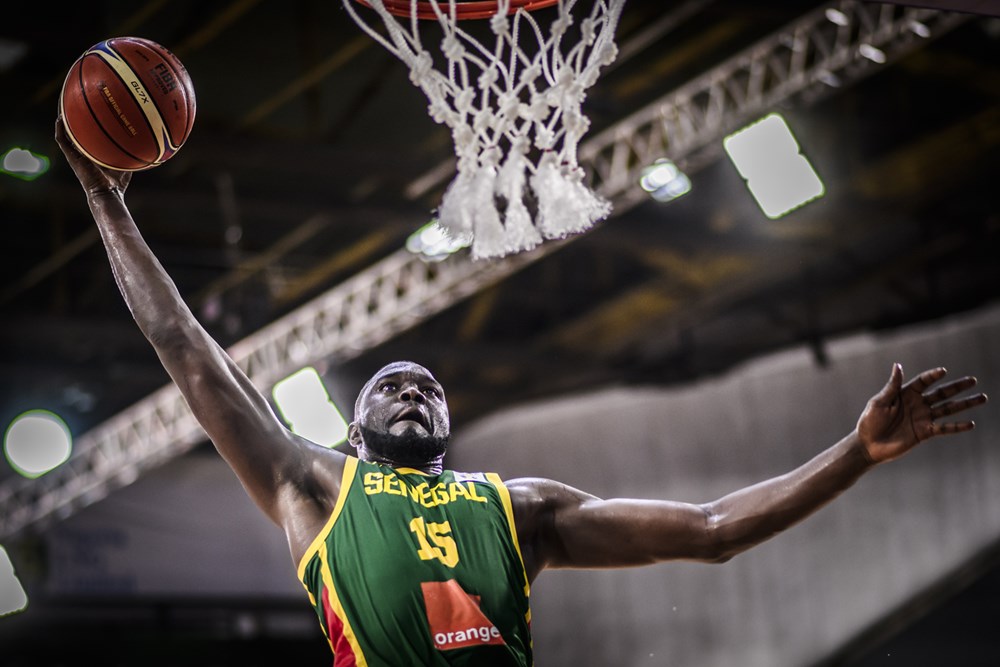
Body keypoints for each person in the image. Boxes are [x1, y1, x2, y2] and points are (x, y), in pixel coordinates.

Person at [55, 118, 987, 667]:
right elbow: (184, 344)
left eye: (429, 386)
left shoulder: (522, 508)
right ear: (353, 427)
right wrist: (107, 200)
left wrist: (855, 454)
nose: (415, 390)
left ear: (452, 426)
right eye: (391, 386)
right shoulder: (314, 486)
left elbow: (712, 530)